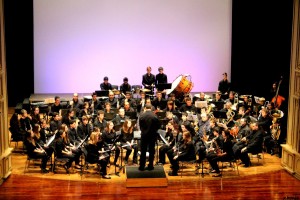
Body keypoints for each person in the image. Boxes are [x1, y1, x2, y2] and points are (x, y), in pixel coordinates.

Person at [138, 104, 161, 171]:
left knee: (143, 151)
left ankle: (142, 166)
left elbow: (140, 125)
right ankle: (150, 166)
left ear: (145, 108)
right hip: (152, 135)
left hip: (144, 135)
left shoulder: (142, 116)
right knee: (151, 150)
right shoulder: (154, 116)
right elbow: (158, 126)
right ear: (151, 108)